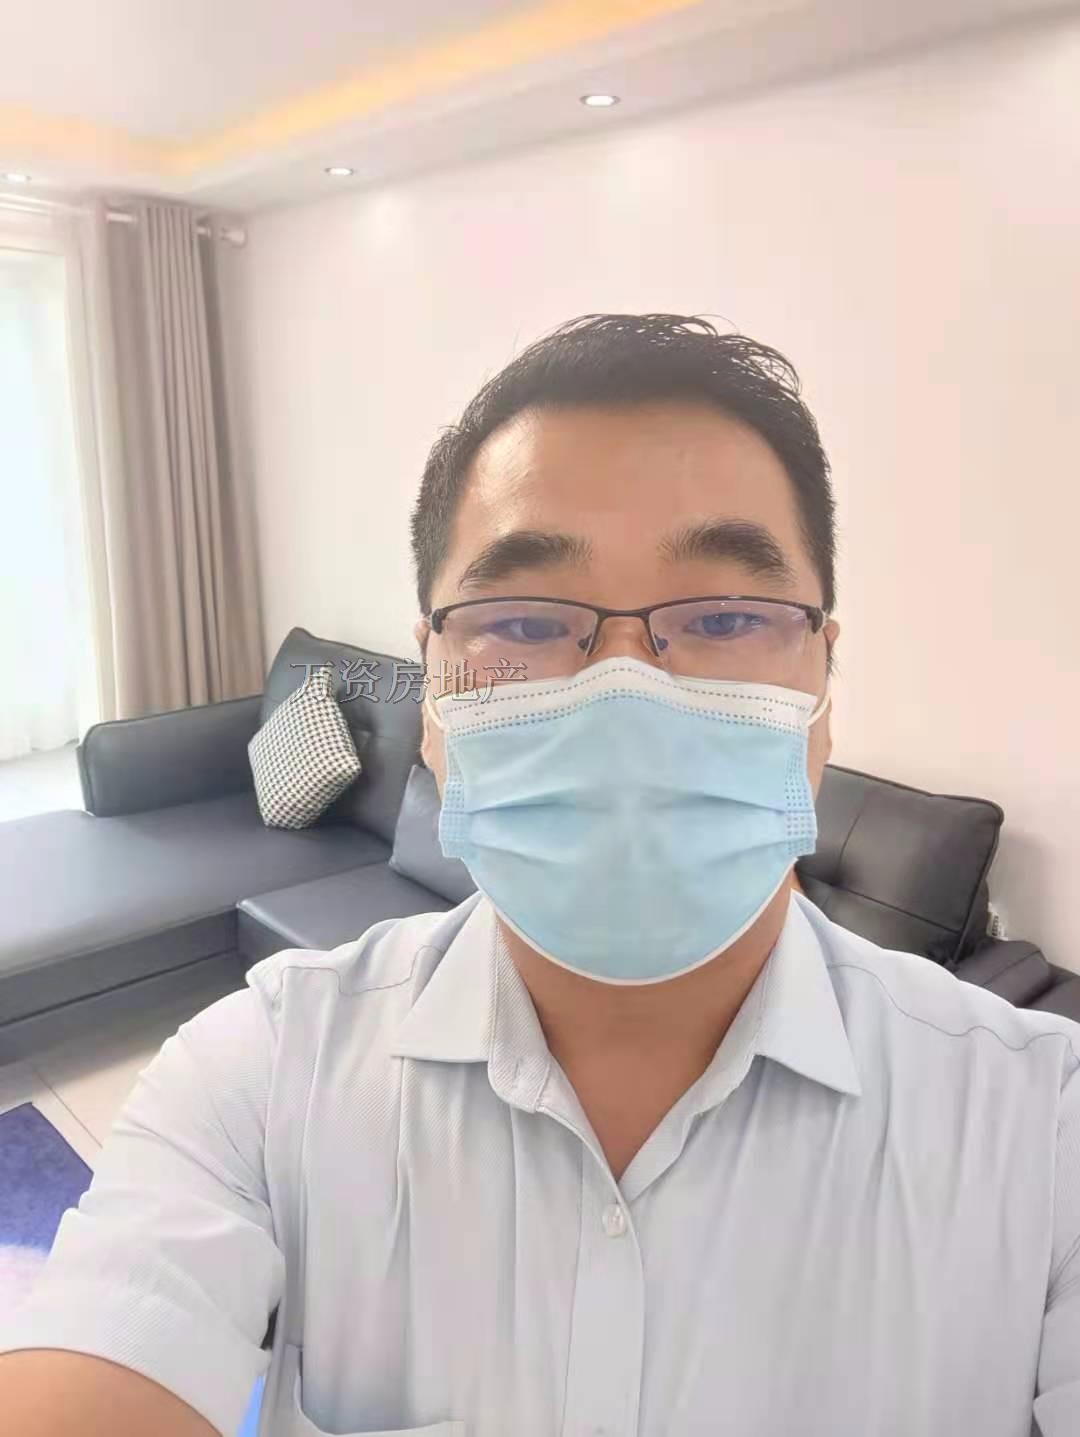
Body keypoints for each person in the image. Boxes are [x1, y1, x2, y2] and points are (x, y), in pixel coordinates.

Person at [1, 313, 1077, 1437]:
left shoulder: (1043, 1131)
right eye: (522, 619)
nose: (624, 691)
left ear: (822, 682)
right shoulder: (259, 1078)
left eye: (722, 615)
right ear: (432, 697)